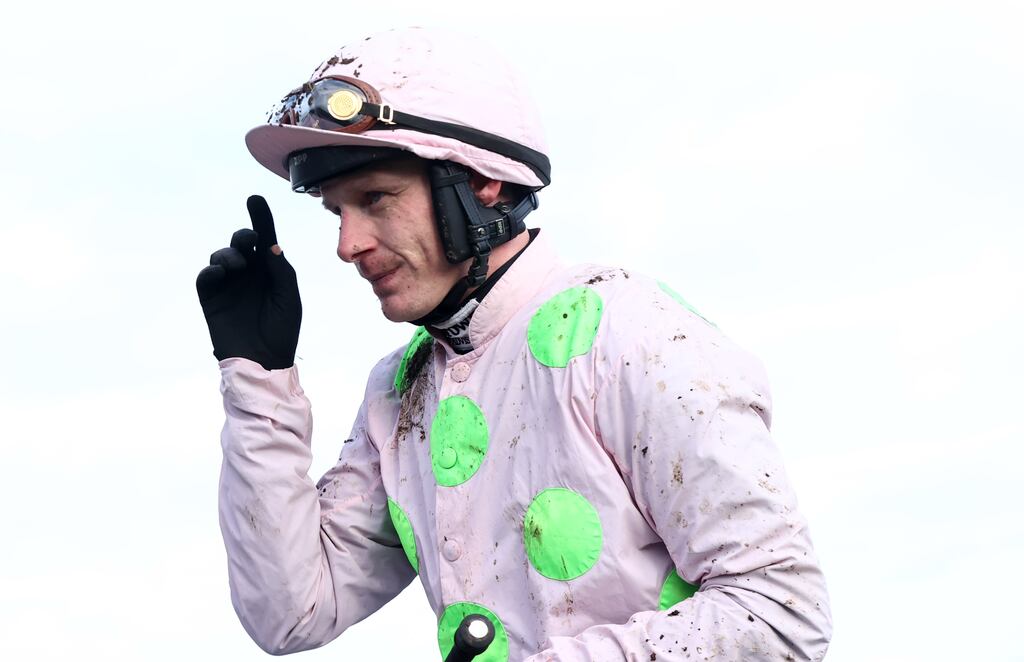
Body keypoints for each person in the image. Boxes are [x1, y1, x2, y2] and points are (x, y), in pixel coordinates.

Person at [196, 27, 832, 661]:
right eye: (338, 212)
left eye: (375, 199)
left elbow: (779, 611)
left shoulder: (630, 329)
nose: (347, 245)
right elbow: (292, 613)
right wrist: (258, 378)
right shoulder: (397, 390)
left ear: (483, 182)